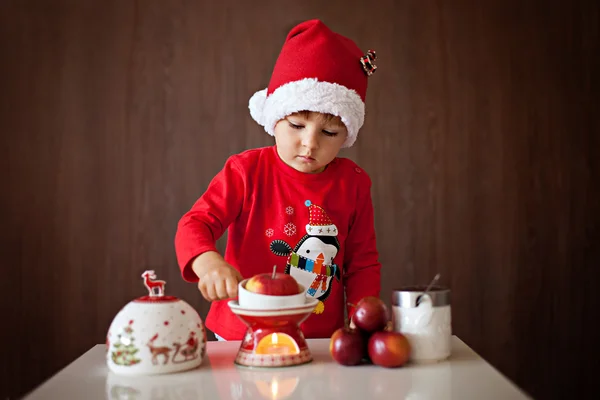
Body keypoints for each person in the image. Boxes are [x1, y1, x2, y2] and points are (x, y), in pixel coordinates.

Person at [174, 19, 381, 341]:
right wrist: (208, 263)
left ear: (347, 135)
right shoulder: (246, 170)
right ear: (273, 119)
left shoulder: (353, 183)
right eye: (297, 125)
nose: (310, 143)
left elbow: (362, 262)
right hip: (239, 331)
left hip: (319, 336)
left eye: (329, 133)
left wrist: (362, 319)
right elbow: (195, 224)